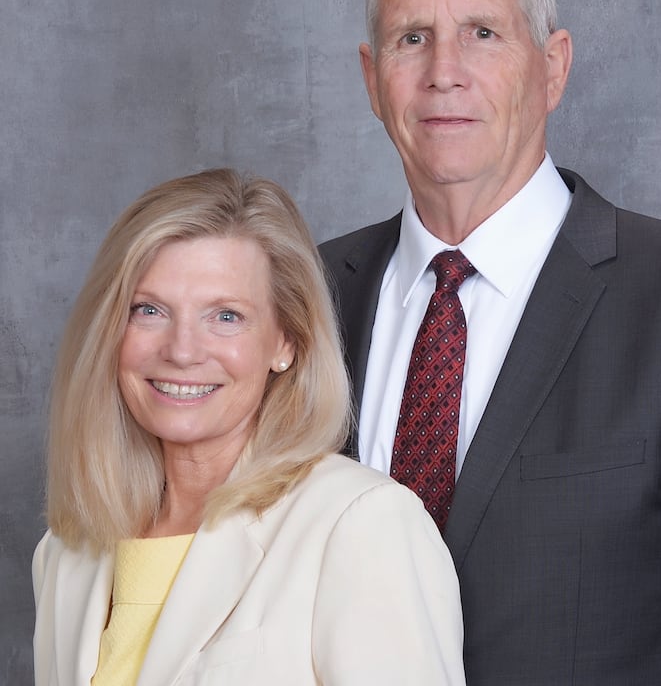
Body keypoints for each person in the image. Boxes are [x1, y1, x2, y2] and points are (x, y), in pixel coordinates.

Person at [319, 0, 661, 685]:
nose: (445, 72)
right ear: (373, 80)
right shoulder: (302, 299)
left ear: (552, 67)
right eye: (413, 38)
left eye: (483, 33)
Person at [32, 169, 466, 685]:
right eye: (148, 310)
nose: (182, 351)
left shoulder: (361, 525)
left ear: (287, 341)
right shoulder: (66, 553)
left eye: (226, 316)